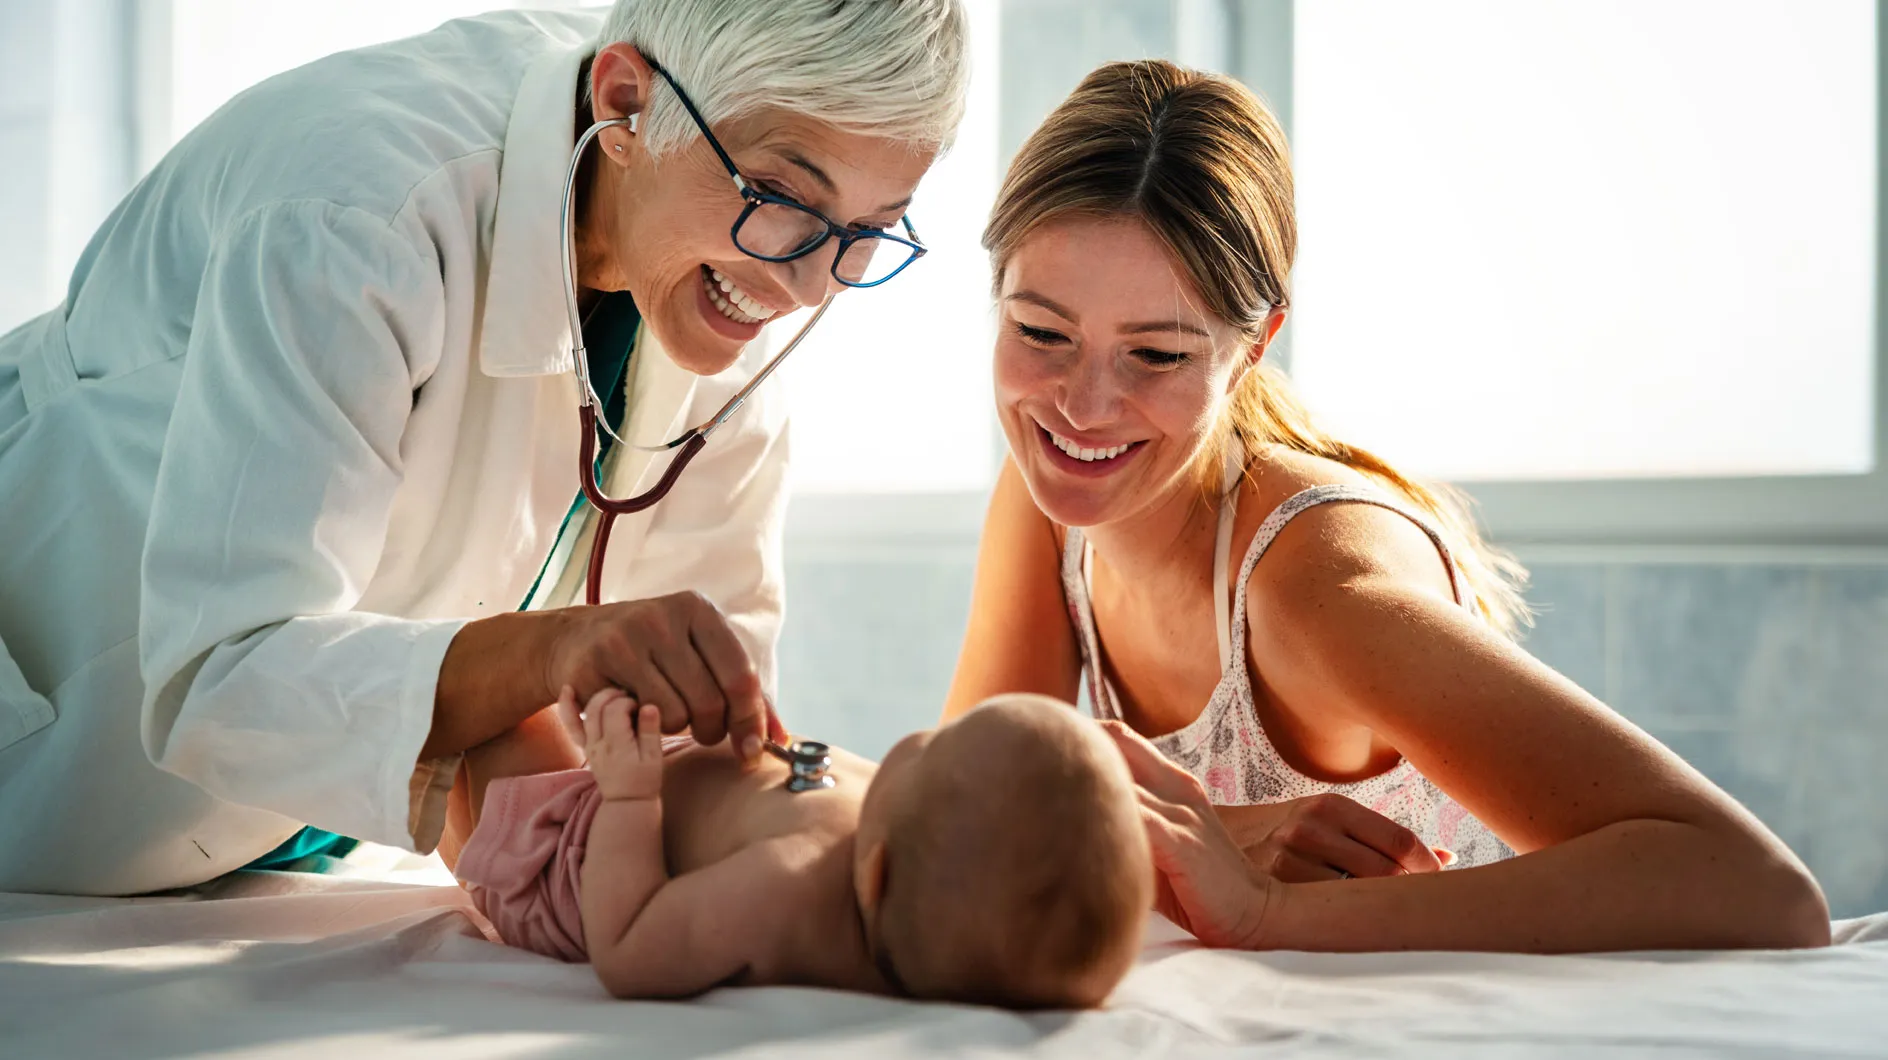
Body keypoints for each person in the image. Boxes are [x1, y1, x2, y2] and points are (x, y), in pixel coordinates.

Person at [0, 0, 968, 896]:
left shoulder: (721, 297)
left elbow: (693, 726)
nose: (807, 288)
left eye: (869, 230)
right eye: (777, 194)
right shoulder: (356, 213)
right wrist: (553, 649)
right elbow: (222, 675)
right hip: (72, 720)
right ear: (624, 105)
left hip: (290, 823)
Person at [944, 60, 1830, 952]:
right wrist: (1178, 845)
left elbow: (1757, 889)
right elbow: (962, 816)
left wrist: (1267, 911)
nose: (1082, 407)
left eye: (1159, 355)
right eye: (1042, 332)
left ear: (1253, 347)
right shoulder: (1048, 506)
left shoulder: (1312, 591)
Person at [448, 689, 1151, 1009]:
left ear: (873, 875)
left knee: (493, 717)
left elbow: (628, 946)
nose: (924, 737)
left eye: (938, 746)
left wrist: (630, 796)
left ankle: (451, 818)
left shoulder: (786, 889)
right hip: (646, 771)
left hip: (577, 849)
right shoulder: (908, 840)